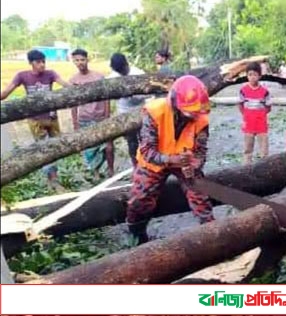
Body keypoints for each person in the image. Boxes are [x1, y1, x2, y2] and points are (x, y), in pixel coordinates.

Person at [126, 75, 214, 244]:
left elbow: (201, 151)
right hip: (155, 161)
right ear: (175, 102)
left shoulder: (201, 118)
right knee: (140, 198)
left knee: (200, 193)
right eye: (189, 111)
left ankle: (211, 231)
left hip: (184, 159)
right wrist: (172, 160)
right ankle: (136, 233)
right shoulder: (154, 112)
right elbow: (147, 151)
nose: (192, 116)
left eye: (195, 112)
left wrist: (194, 164)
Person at [0, 49, 71, 192]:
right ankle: (52, 180)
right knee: (44, 148)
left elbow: (64, 83)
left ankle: (53, 177)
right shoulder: (22, 76)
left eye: (43, 62)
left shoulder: (50, 74)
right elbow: (6, 93)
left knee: (56, 147)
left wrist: (77, 88)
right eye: (38, 62)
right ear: (31, 63)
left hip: (52, 117)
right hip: (35, 119)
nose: (42, 65)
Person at [69, 48, 114, 180]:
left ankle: (111, 170)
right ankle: (95, 173)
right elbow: (73, 102)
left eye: (82, 59)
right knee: (89, 148)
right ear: (74, 62)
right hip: (84, 118)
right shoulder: (73, 80)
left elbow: (107, 96)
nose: (80, 62)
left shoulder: (98, 77)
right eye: (77, 60)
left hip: (100, 116)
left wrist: (107, 114)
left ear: (87, 60)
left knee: (108, 146)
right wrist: (75, 122)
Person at [107, 53, 148, 167]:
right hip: (124, 112)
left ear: (126, 64)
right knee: (131, 141)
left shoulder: (138, 73)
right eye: (119, 71)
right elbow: (110, 96)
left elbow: (148, 93)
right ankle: (136, 165)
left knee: (146, 138)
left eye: (123, 69)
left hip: (141, 109)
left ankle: (148, 162)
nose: (121, 72)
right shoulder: (112, 78)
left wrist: (134, 94)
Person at [238, 62, 272, 165]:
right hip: (248, 123)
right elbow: (240, 105)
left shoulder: (265, 91)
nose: (252, 77)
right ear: (247, 76)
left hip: (261, 123)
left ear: (259, 76)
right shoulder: (243, 90)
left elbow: (269, 106)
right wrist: (246, 115)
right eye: (250, 74)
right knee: (248, 148)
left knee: (264, 148)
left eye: (255, 75)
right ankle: (246, 167)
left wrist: (261, 114)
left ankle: (264, 166)